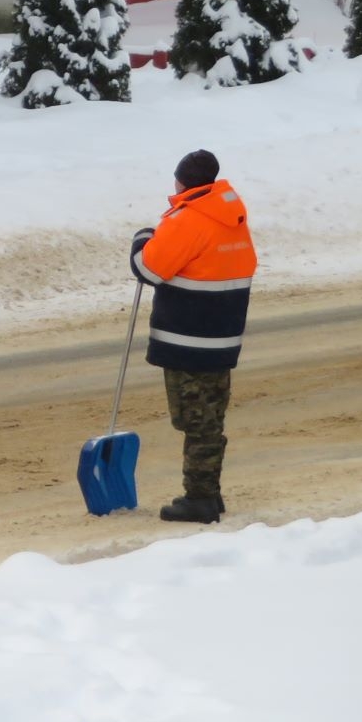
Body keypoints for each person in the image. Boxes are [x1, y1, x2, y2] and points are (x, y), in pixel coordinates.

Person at [130, 149, 256, 524]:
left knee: (195, 420)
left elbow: (148, 268)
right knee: (211, 417)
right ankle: (210, 493)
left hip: (189, 339)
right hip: (222, 336)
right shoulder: (230, 216)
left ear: (183, 182)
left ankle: (199, 498)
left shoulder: (189, 220)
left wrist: (141, 238)